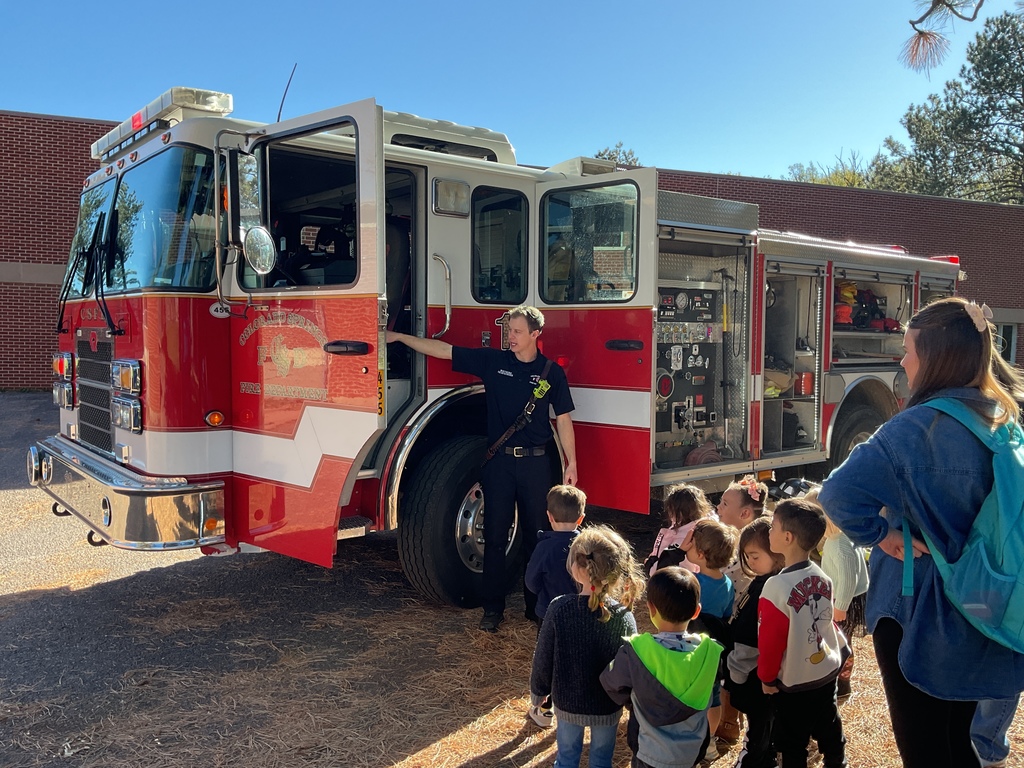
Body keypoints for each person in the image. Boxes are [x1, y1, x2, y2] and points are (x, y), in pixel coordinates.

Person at [818, 297, 1024, 768]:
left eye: (909, 349)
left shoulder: (914, 429)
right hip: (984, 603)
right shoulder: (1000, 419)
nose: (903, 361)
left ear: (935, 357)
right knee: (957, 740)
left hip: (917, 611)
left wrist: (878, 535)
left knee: (925, 749)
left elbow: (837, 494)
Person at [387, 305, 577, 633]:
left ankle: (536, 609)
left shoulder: (551, 374)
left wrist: (572, 463)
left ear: (535, 334)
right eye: (508, 330)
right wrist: (401, 337)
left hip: (535, 464)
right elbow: (446, 352)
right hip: (499, 464)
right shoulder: (494, 362)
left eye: (517, 331)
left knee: (537, 537)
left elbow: (563, 420)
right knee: (494, 534)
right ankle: (492, 609)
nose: (510, 336)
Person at [530, 525, 645, 768]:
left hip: (568, 702)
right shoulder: (624, 616)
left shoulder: (559, 609)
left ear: (575, 566)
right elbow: (632, 665)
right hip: (608, 706)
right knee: (602, 760)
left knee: (566, 758)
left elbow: (543, 656)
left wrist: (538, 692)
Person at [601, 567, 724, 768]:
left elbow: (611, 683)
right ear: (696, 611)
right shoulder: (710, 653)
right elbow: (714, 702)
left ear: (651, 609)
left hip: (649, 751)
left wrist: (636, 697)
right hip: (690, 753)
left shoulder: (636, 650)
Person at [759, 498, 847, 768]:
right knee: (829, 725)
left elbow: (770, 642)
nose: (768, 532)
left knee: (792, 742)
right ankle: (837, 762)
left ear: (787, 537)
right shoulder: (823, 577)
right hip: (825, 672)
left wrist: (767, 677)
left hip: (795, 682)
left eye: (772, 526)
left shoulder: (776, 587)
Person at [726, 517, 786, 768]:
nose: (749, 562)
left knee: (757, 734)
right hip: (762, 676)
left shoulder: (767, 590)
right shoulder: (766, 582)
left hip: (755, 679)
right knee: (765, 728)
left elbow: (750, 640)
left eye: (755, 556)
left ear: (778, 554)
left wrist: (736, 679)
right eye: (746, 556)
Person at [525, 484, 587, 728]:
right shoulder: (586, 546)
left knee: (546, 659)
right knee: (576, 656)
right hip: (581, 611)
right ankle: (573, 701)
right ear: (581, 518)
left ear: (549, 516)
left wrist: (541, 593)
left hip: (548, 613)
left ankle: (544, 707)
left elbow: (531, 581)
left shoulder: (544, 547)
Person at [715, 474, 769, 746]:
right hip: (735, 615)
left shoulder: (744, 547)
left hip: (741, 619)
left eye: (724, 504)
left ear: (745, 513)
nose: (718, 508)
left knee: (734, 669)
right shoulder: (738, 539)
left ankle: (729, 722)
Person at [681, 517, 738, 760]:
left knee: (690, 695)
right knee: (714, 696)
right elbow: (726, 615)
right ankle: (709, 742)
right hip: (715, 649)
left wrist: (677, 552)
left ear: (701, 554)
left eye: (691, 545)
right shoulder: (727, 583)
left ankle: (689, 740)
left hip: (691, 647)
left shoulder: (693, 583)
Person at [644, 484, 713, 577]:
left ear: (677, 512)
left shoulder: (683, 540)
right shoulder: (706, 528)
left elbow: (664, 571)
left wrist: (651, 566)